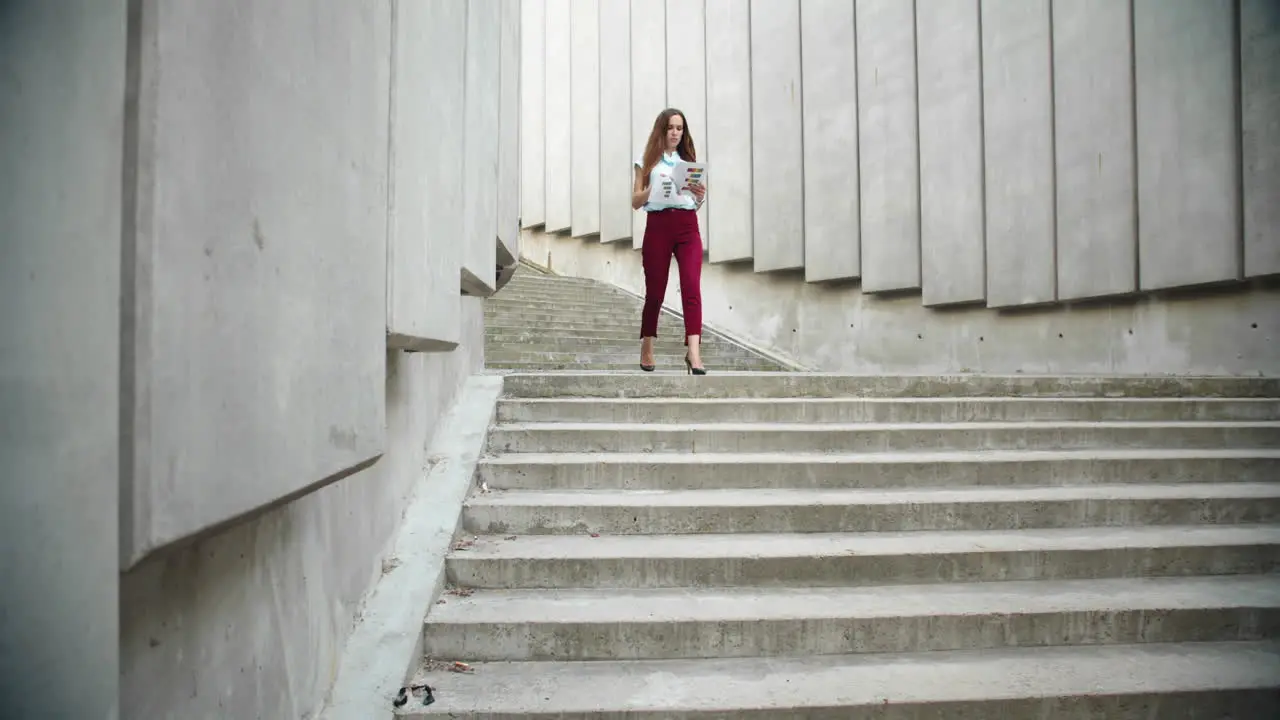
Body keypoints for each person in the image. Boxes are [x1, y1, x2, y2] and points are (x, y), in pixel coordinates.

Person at [632, 107, 708, 375]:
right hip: (658, 226)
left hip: (687, 226)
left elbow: (693, 203)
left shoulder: (687, 161)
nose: (676, 133)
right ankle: (647, 346)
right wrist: (653, 189)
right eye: (671, 128)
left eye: (680, 128)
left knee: (691, 287)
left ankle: (694, 353)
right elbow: (634, 201)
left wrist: (699, 196)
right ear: (662, 129)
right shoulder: (646, 161)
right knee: (655, 291)